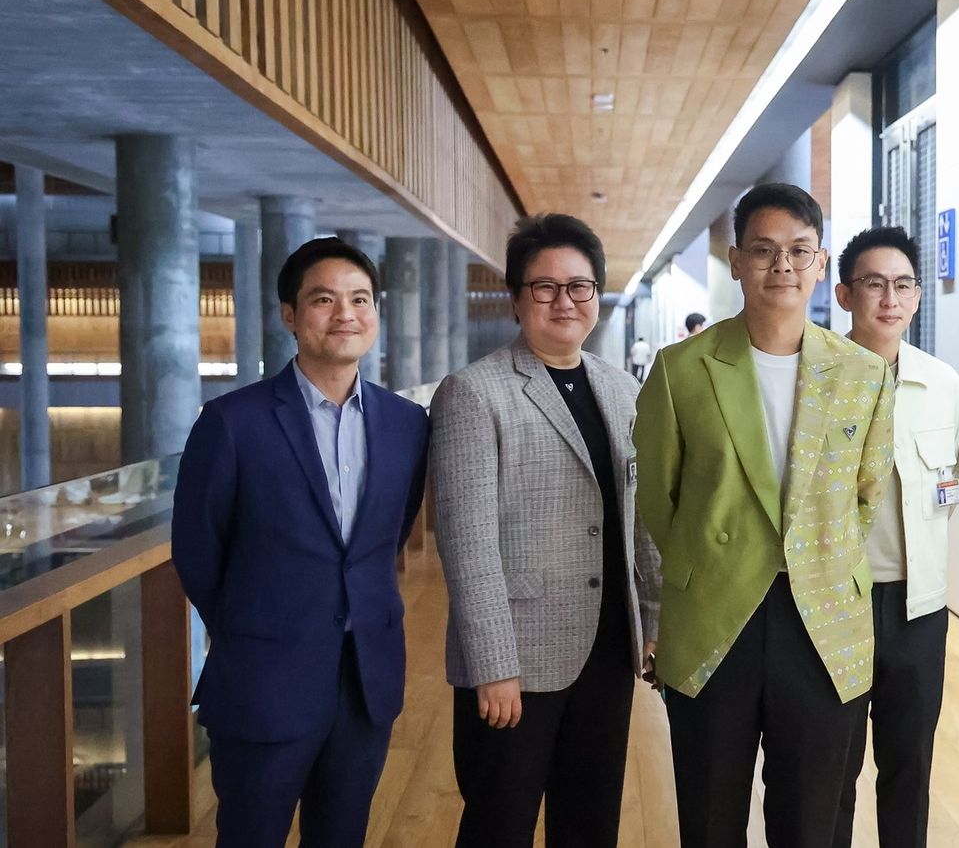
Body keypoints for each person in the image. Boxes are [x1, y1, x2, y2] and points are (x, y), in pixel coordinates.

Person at [634, 183, 895, 847]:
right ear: (736, 260)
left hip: (823, 617)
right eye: (763, 249)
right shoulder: (681, 369)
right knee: (710, 816)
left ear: (820, 262)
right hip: (715, 613)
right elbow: (658, 499)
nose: (783, 265)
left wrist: (815, 551)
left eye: (799, 250)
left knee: (811, 820)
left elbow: (866, 495)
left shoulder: (863, 373)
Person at [171, 237, 430, 848]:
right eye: (323, 299)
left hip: (365, 682)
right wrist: (253, 628)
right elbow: (197, 551)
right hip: (264, 680)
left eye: (360, 299)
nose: (345, 314)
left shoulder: (407, 424)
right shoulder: (232, 422)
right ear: (289, 314)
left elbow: (386, 536)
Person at [430, 213, 661, 848]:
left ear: (597, 295)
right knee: (499, 826)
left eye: (579, 286)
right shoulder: (473, 393)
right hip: (517, 660)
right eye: (545, 287)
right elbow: (468, 545)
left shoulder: (622, 389)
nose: (565, 301)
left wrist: (651, 621)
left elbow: (640, 517)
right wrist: (493, 666)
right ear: (516, 298)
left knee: (590, 824)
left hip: (608, 647)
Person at [831, 226, 959, 848]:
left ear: (917, 297)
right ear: (844, 294)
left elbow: (958, 488)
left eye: (904, 285)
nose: (890, 298)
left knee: (909, 766)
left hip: (918, 608)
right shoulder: (816, 378)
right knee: (831, 766)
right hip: (834, 606)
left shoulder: (944, 385)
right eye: (874, 284)